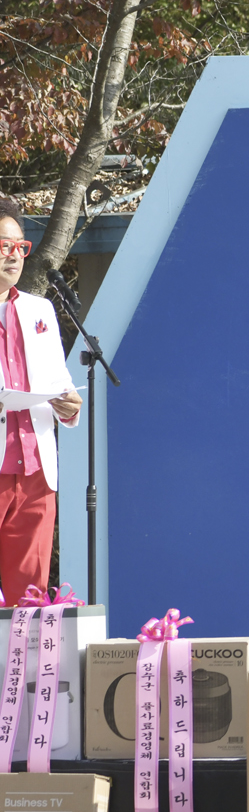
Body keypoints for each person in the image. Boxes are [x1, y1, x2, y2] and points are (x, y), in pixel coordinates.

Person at [0, 199, 83, 603]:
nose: (14, 255)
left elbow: (58, 382)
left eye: (20, 246)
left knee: (27, 602)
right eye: (3, 245)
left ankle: (20, 670)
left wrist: (68, 405)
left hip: (36, 474)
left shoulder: (41, 310)